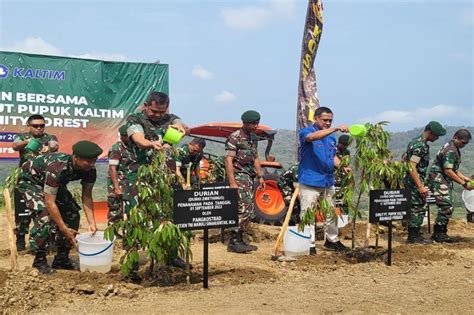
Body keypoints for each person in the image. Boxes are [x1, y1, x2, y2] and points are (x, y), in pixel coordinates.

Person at [124, 91, 188, 271]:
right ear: (146, 106)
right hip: (140, 176)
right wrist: (151, 144)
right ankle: (132, 263)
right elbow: (138, 140)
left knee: (168, 216)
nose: (158, 115)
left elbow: (179, 123)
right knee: (135, 218)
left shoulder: (169, 118)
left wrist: (180, 127)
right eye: (154, 111)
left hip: (164, 177)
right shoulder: (135, 119)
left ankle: (170, 256)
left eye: (162, 112)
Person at [17, 140, 102, 274]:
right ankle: (40, 260)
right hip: (31, 182)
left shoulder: (90, 170)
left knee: (72, 213)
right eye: (88, 161)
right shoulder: (57, 167)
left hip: (54, 184)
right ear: (76, 158)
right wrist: (63, 228)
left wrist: (92, 223)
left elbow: (86, 197)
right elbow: (50, 202)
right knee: (44, 215)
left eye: (94, 160)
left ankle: (62, 259)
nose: (92, 164)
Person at [298, 106, 349, 254]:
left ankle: (332, 240)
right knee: (308, 212)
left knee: (331, 211)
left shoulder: (331, 138)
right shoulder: (306, 132)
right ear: (316, 118)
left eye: (330, 121)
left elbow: (333, 157)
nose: (328, 123)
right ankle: (309, 243)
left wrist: (342, 167)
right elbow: (312, 138)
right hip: (310, 180)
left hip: (327, 180)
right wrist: (335, 128)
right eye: (325, 120)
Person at [12, 114, 59, 251]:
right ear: (29, 126)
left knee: (46, 210)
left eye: (42, 125)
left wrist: (50, 148)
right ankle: (20, 237)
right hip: (25, 180)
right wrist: (28, 142)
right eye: (36, 126)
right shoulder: (22, 137)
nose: (39, 128)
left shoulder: (50, 137)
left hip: (45, 180)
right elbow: (15, 146)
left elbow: (55, 145)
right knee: (23, 212)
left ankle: (46, 238)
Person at [225, 110, 265, 253]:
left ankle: (239, 238)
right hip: (238, 175)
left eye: (257, 123)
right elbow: (228, 159)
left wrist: (260, 176)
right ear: (245, 123)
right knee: (244, 206)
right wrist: (232, 182)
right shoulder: (234, 137)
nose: (255, 126)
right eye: (253, 123)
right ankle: (234, 240)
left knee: (249, 208)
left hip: (249, 175)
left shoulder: (253, 138)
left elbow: (255, 157)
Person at [403, 121, 445, 244]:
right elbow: (411, 166)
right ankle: (413, 236)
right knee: (418, 206)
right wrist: (420, 186)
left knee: (416, 206)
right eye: (436, 136)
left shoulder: (414, 142)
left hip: (412, 180)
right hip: (414, 181)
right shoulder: (420, 145)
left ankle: (415, 234)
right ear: (430, 133)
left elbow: (404, 159)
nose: (437, 138)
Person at [429, 129, 473, 242]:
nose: (464, 145)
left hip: (442, 179)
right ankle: (439, 234)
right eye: (463, 142)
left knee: (447, 206)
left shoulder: (453, 147)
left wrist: (465, 178)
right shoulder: (450, 150)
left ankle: (440, 233)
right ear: (455, 137)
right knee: (446, 206)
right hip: (439, 179)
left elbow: (454, 169)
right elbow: (448, 171)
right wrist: (464, 184)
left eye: (466, 143)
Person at [107, 125, 129, 224]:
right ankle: (113, 235)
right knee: (115, 211)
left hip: (128, 184)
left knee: (129, 209)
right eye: (126, 136)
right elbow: (112, 168)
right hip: (117, 184)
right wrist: (116, 187)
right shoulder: (116, 148)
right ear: (123, 136)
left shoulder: (132, 148)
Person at [334, 134, 351, 215]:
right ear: (339, 143)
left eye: (346, 145)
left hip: (344, 181)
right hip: (334, 180)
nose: (345, 146)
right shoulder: (333, 151)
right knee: (336, 202)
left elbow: (347, 165)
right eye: (343, 145)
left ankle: (344, 220)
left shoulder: (347, 152)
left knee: (344, 201)